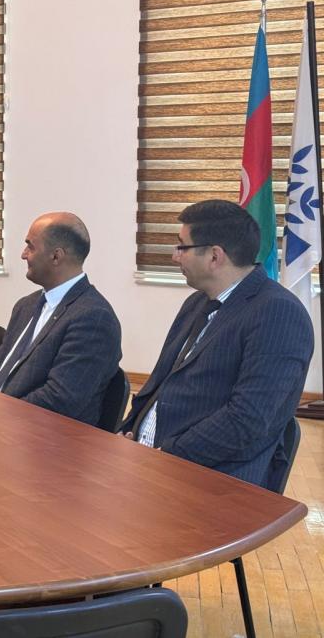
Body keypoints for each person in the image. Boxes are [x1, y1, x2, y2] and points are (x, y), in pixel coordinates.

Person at [120, 199, 313, 487]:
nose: (174, 256)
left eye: (182, 247)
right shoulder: (197, 302)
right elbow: (160, 383)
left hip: (209, 481)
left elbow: (246, 421)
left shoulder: (278, 313)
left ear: (214, 256)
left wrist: (166, 456)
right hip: (148, 462)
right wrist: (126, 434)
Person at [0, 212, 121, 426]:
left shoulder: (94, 318)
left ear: (56, 256)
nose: (23, 254)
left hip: (41, 435)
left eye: (30, 246)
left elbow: (60, 400)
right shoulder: (26, 305)